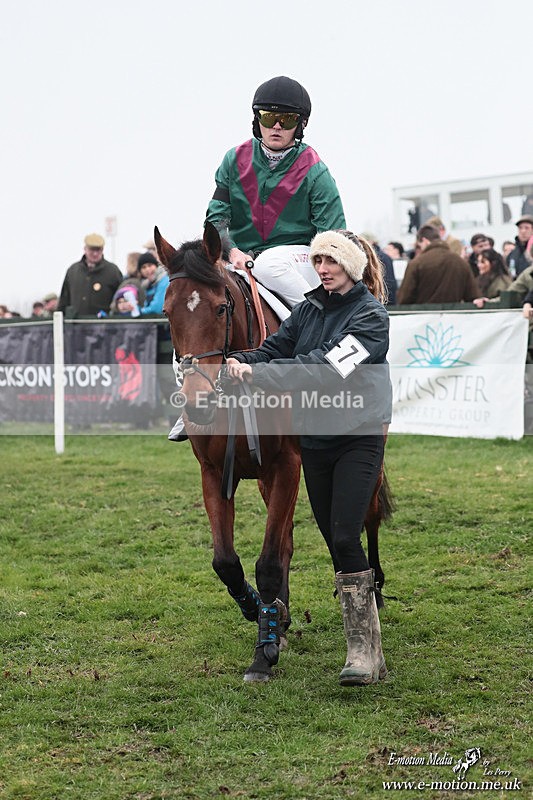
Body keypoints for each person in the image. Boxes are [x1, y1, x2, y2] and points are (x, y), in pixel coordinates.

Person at [226, 230, 391, 686]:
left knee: (343, 535)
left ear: (351, 267)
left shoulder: (372, 317)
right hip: (315, 437)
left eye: (331, 262)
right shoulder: (308, 308)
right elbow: (278, 348)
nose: (322, 269)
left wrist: (259, 372)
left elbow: (327, 366)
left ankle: (364, 653)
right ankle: (367, 648)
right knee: (332, 536)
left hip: (358, 436)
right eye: (317, 261)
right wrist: (241, 359)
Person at [204, 75, 346, 307]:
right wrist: (232, 252)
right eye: (269, 118)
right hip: (242, 258)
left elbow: (333, 237)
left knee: (269, 264)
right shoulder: (233, 160)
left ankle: (319, 317)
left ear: (301, 124)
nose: (277, 126)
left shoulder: (315, 171)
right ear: (257, 120)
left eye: (287, 120)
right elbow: (215, 221)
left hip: (296, 260)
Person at [397, 225, 479, 304]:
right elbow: (473, 296)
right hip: (454, 316)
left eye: (420, 245)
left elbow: (404, 298)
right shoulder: (460, 262)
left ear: (425, 241)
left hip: (423, 316)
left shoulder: (416, 263)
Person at [57, 233, 122, 317]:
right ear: (85, 249)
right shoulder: (73, 271)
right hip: (76, 325)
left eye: (98, 250)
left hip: (103, 325)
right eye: (92, 250)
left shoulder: (113, 271)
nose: (95, 254)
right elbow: (64, 300)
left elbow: (120, 298)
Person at [360, 232, 397, 305]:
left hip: (375, 298)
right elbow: (391, 281)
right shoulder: (386, 257)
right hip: (386, 298)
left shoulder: (370, 256)